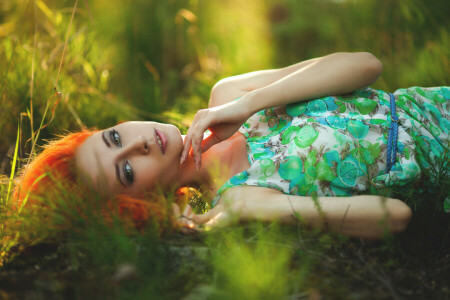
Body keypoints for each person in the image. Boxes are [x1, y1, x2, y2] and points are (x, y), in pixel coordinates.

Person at [13, 52, 449, 239]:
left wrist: (251, 102)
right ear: (139, 203)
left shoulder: (229, 97)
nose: (140, 142)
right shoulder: (243, 197)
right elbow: (396, 216)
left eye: (114, 137)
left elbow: (366, 65)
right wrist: (254, 210)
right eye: (125, 170)